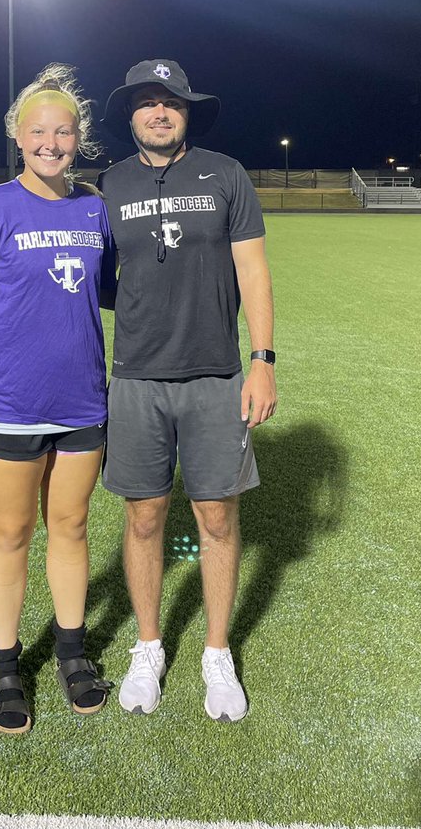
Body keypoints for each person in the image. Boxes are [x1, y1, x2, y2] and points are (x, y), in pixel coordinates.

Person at [98, 59, 277, 723]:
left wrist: (261, 359)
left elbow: (254, 272)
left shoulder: (226, 174)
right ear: (131, 115)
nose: (159, 110)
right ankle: (149, 647)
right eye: (147, 102)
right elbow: (100, 280)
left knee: (217, 519)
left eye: (171, 101)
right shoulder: (108, 184)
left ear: (188, 112)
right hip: (137, 378)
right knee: (144, 518)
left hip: (214, 376)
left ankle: (216, 653)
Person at [0, 63, 117, 735]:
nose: (52, 142)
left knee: (71, 529)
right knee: (10, 534)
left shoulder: (94, 208)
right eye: (39, 130)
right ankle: (6, 667)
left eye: (64, 131)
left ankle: (72, 653)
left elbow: (113, 293)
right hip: (10, 405)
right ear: (19, 134)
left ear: (79, 139)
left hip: (82, 405)